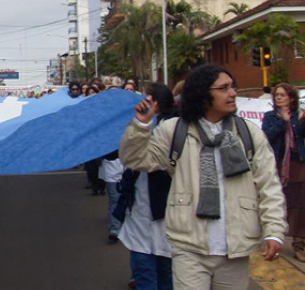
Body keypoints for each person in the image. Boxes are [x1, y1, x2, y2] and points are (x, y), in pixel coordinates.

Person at [120, 64, 286, 290]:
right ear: (203, 94)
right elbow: (135, 160)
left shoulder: (248, 132)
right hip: (189, 246)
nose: (233, 93)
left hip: (235, 248)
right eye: (224, 88)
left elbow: (269, 185)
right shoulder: (173, 130)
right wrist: (140, 125)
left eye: (232, 87)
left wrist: (274, 232)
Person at [116, 83, 174, 290]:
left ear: (155, 103)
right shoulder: (140, 124)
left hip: (165, 210)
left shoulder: (172, 129)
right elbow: (128, 157)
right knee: (144, 268)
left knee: (166, 269)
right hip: (140, 208)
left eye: (144, 97)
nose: (139, 101)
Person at [262, 83, 305, 262]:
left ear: (291, 98)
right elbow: (267, 137)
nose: (279, 98)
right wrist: (283, 122)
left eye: (282, 95)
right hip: (278, 165)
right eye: (277, 95)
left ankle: (299, 243)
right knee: (278, 202)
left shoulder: (298, 116)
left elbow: (300, 137)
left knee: (301, 203)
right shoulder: (270, 117)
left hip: (297, 165)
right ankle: (274, 236)